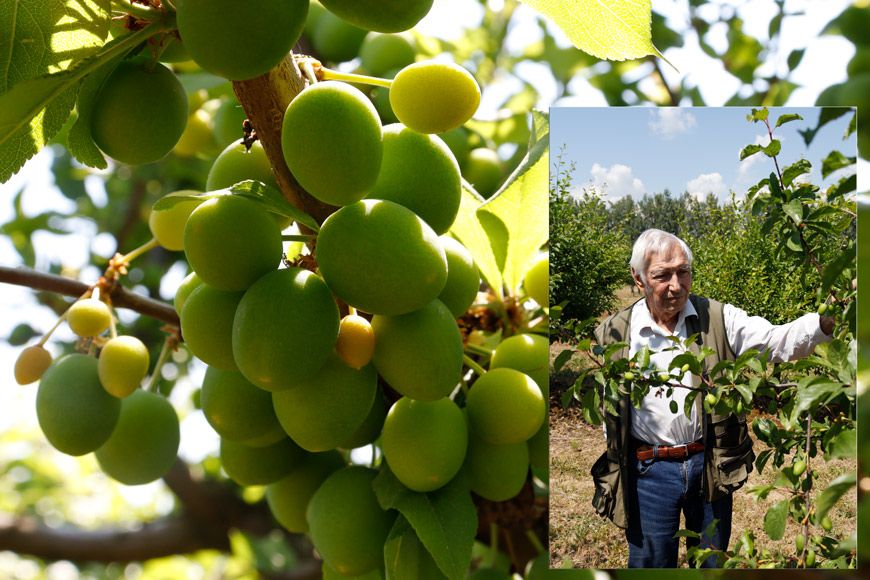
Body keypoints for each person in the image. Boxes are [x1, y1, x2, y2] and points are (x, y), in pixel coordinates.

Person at [590, 228, 835, 568]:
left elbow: (776, 341)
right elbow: (611, 403)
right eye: (662, 275)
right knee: (651, 564)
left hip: (709, 465)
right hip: (649, 471)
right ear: (638, 277)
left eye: (683, 272)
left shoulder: (717, 318)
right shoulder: (618, 331)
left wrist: (827, 321)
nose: (676, 285)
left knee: (712, 563)